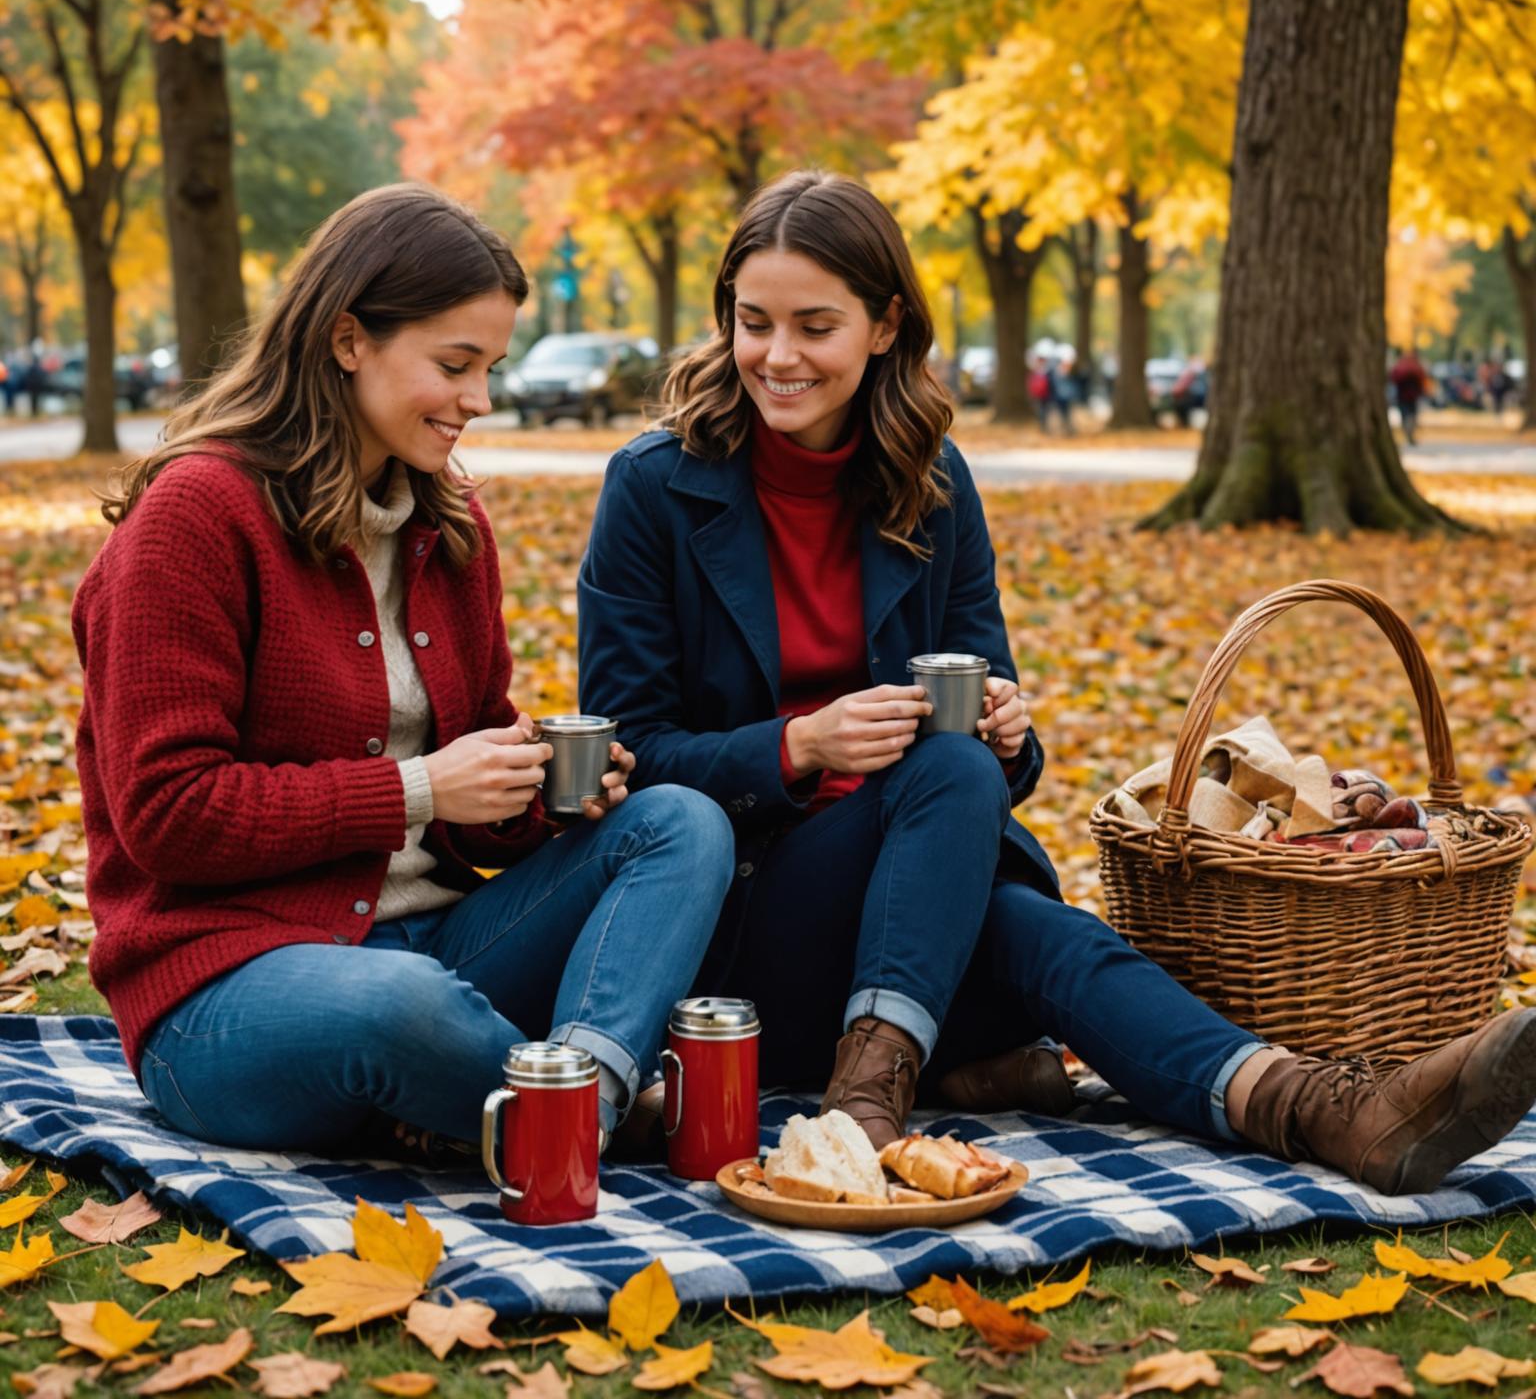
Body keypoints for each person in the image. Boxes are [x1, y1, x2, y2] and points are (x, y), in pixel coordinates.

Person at [577, 169, 1536, 1195]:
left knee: (1017, 893)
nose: (777, 356)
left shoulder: (931, 480)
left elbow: (1005, 762)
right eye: (752, 322)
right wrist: (797, 747)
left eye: (815, 326)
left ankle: (1325, 1110)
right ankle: (879, 1098)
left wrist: (1006, 730)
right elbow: (631, 760)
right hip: (747, 922)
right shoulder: (656, 487)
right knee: (986, 849)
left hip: (923, 913)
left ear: (887, 324)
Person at [74, 183, 733, 1160]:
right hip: (227, 989)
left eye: (491, 367)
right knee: (400, 1003)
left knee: (681, 823)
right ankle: (568, 1116)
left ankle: (568, 1108)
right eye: (454, 365)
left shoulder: (449, 529)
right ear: (349, 339)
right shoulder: (196, 521)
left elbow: (469, 820)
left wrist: (533, 796)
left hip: (439, 948)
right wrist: (422, 787)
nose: (479, 399)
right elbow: (170, 817)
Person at [1389, 346, 1429, 445]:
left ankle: (1408, 432)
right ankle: (1409, 432)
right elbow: (1422, 379)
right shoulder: (1416, 366)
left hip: (1402, 394)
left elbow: (1393, 377)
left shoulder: (1401, 365)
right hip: (1412, 394)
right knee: (1412, 414)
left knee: (1405, 414)